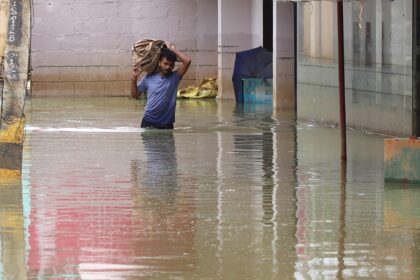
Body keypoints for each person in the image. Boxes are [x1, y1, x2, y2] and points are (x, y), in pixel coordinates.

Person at [131, 45, 191, 129]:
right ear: (159, 62)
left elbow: (187, 61)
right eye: (165, 64)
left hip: (167, 124)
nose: (168, 67)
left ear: (173, 66)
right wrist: (134, 79)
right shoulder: (148, 78)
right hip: (148, 122)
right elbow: (135, 95)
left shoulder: (175, 77)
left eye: (171, 65)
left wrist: (172, 49)